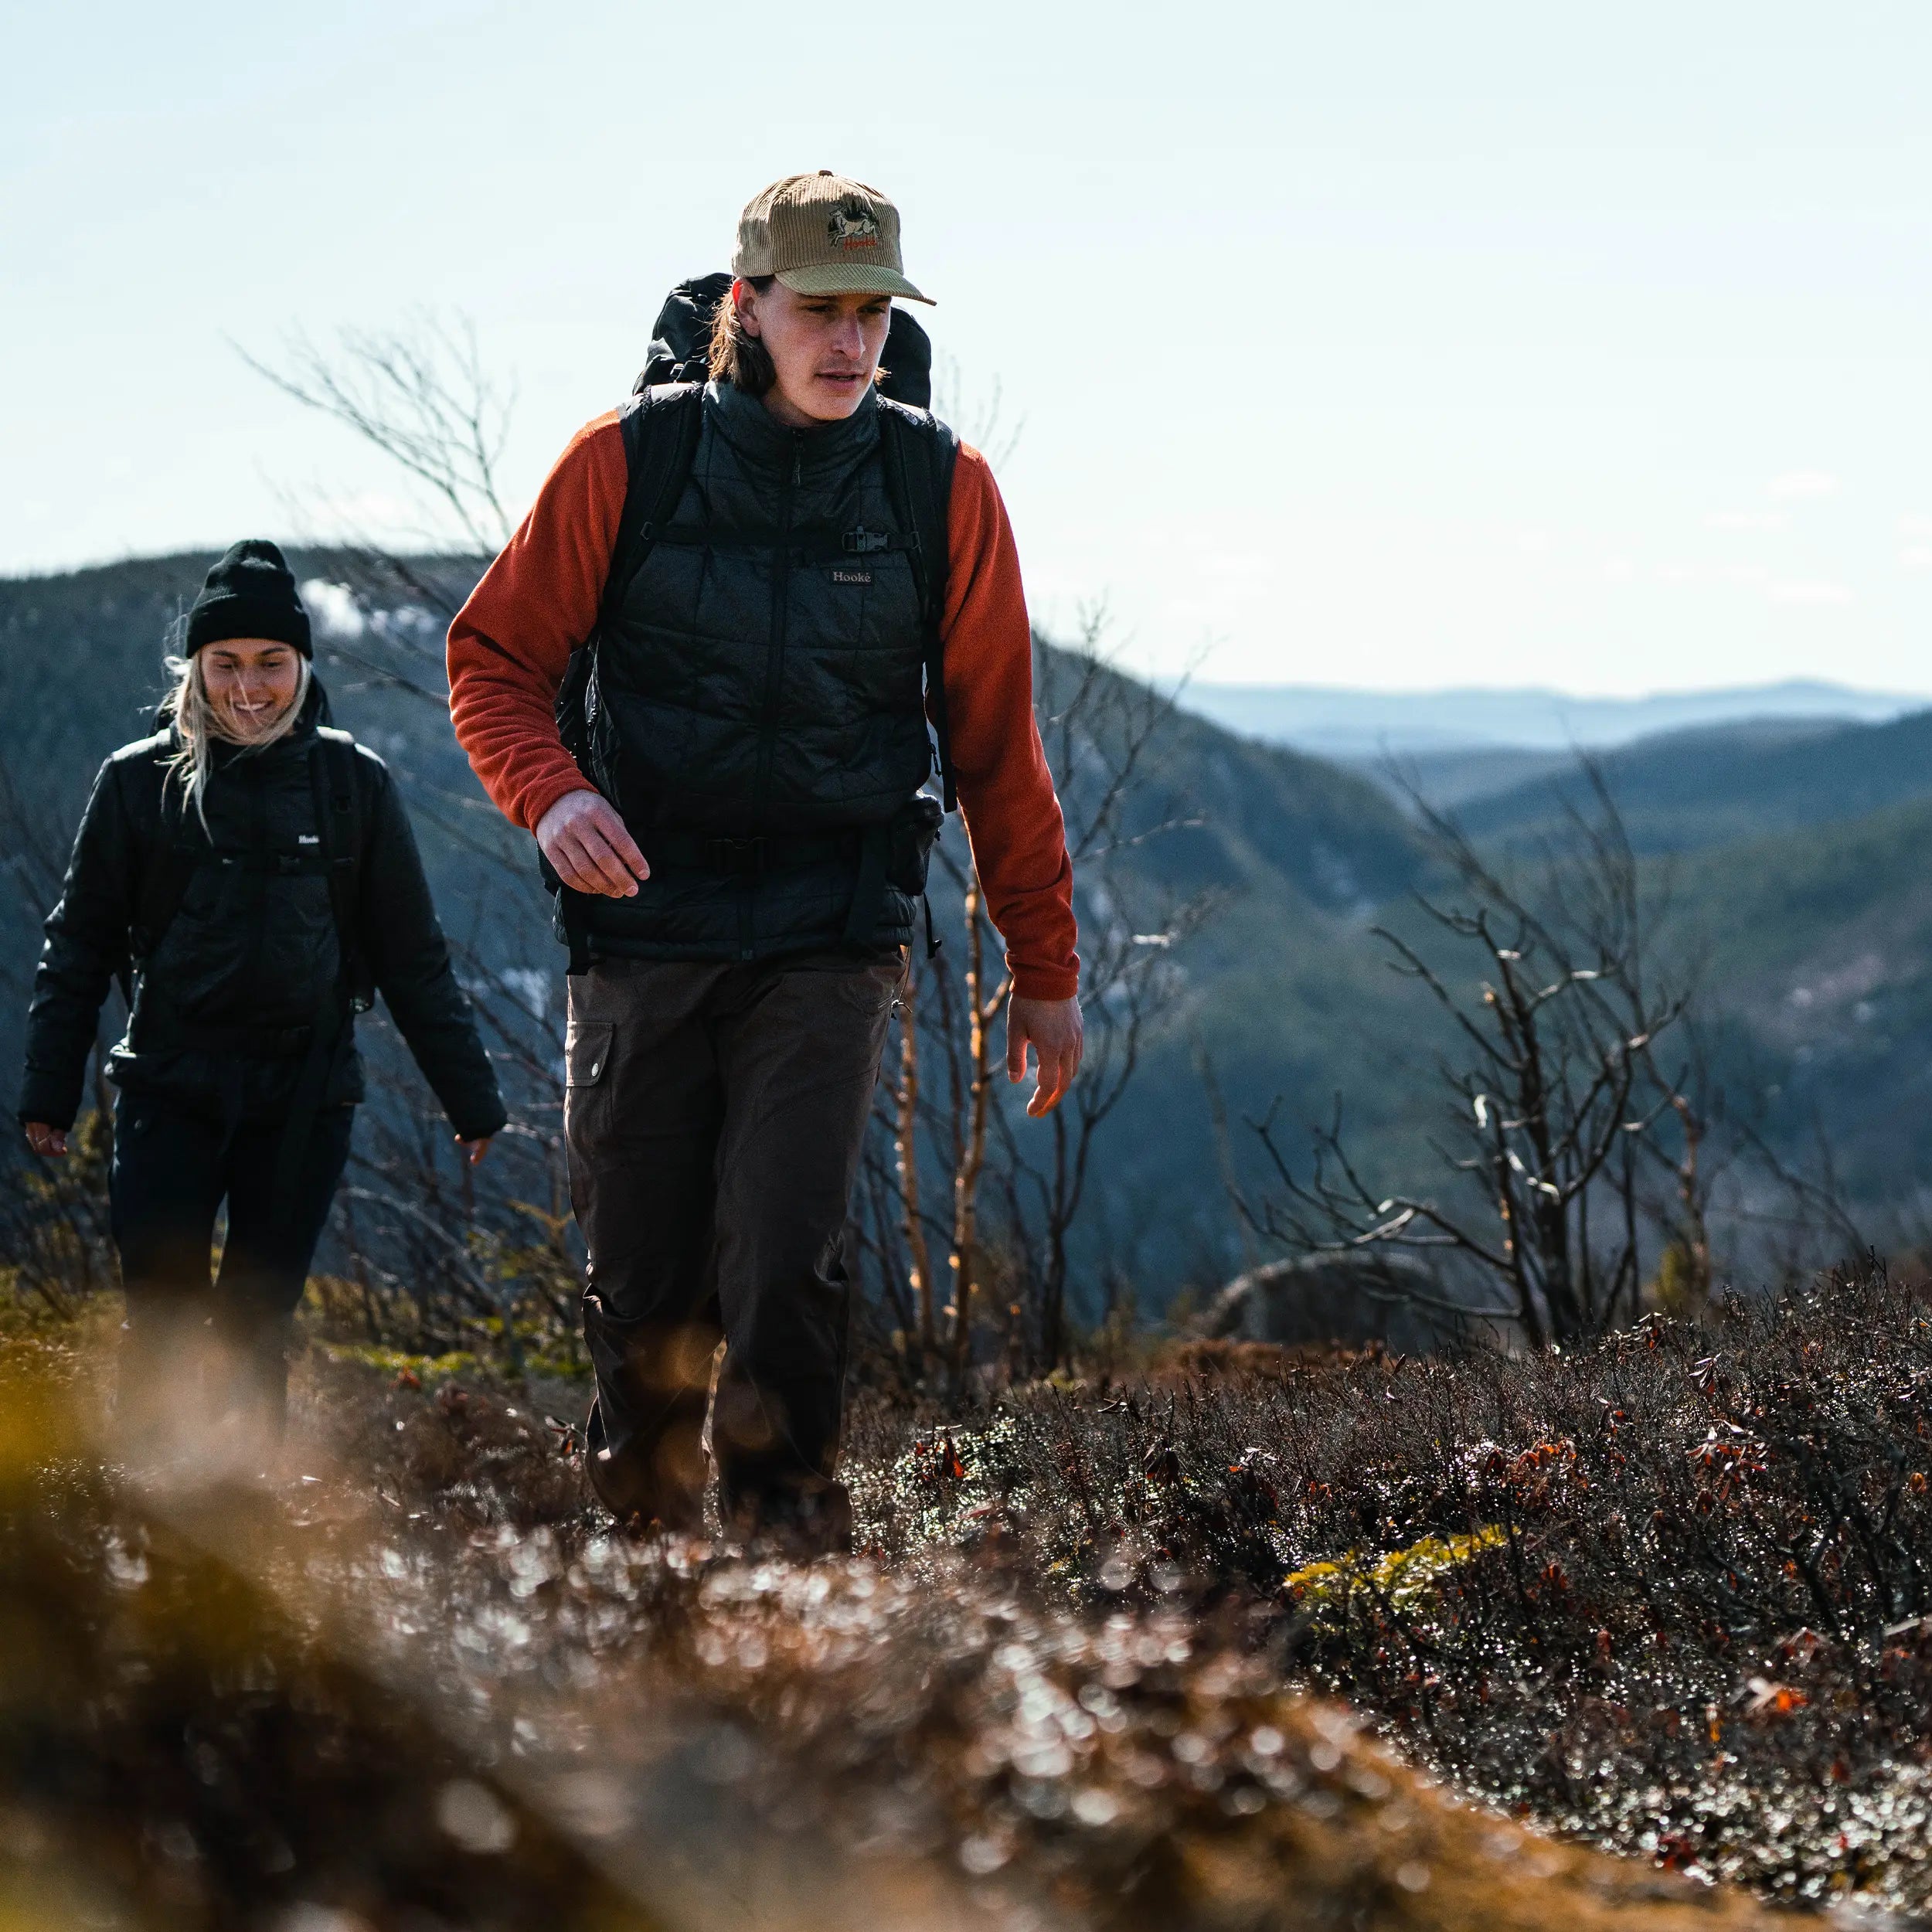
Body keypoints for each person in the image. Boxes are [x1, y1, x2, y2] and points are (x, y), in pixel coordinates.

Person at [447, 172, 1082, 1546]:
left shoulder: (942, 484)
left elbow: (996, 751)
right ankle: (646, 1579)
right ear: (749, 306)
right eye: (820, 310)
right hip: (640, 928)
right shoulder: (626, 460)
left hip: (827, 933)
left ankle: (798, 1590)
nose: (850, 342)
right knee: (644, 1289)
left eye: (872, 313)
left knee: (787, 1269)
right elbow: (494, 658)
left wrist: (1046, 967)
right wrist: (550, 799)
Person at [19, 540, 506, 1437]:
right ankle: (147, 1523)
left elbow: (411, 958)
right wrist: (50, 1088)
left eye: (271, 663)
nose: (250, 687)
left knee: (254, 1325)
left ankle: (246, 1540)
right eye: (226, 664)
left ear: (302, 665)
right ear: (195, 669)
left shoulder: (352, 787)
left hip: (303, 1097)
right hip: (168, 1089)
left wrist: (470, 1099)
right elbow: (77, 947)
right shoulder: (138, 784)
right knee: (160, 1316)